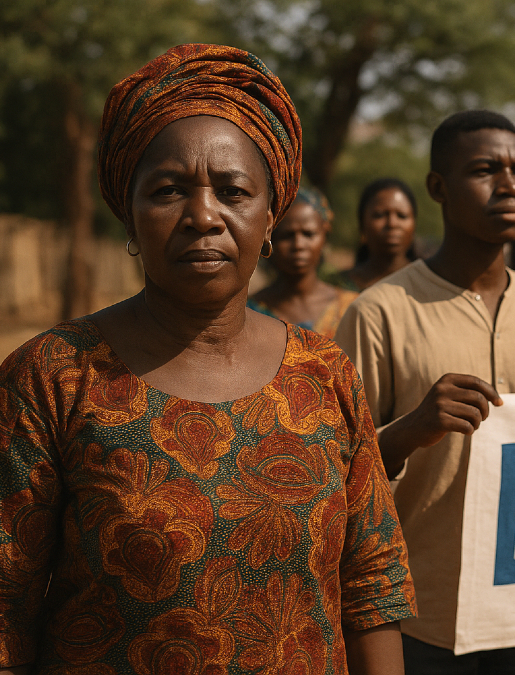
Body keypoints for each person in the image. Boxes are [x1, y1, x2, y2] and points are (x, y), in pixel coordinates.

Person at [0, 44, 415, 675]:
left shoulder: (325, 373)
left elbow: (370, 588)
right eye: (167, 190)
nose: (202, 217)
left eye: (232, 191)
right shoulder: (53, 377)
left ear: (270, 217)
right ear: (129, 219)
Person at [335, 110, 515, 675]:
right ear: (438, 188)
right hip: (420, 615)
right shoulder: (380, 313)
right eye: (485, 170)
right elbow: (336, 473)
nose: (508, 186)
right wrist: (411, 429)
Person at [249, 185, 358, 336]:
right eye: (287, 236)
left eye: (308, 234)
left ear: (324, 237)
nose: (298, 245)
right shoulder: (250, 312)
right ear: (269, 238)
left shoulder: (352, 307)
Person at [342, 177, 419, 291]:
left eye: (401, 216)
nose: (392, 224)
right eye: (379, 215)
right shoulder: (338, 286)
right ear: (362, 225)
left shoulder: (428, 283)